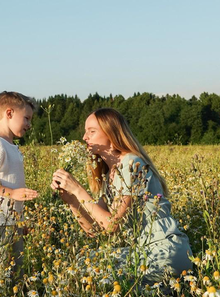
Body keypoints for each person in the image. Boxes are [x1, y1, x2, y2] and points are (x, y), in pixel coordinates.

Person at [51, 108, 193, 284]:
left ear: (111, 134)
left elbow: (112, 226)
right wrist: (71, 199)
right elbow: (95, 231)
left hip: (164, 251)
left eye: (91, 131)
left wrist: (79, 190)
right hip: (142, 251)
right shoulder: (108, 174)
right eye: (85, 131)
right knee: (81, 264)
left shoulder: (132, 163)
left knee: (98, 276)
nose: (84, 137)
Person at [0, 91, 39, 276]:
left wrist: (20, 220)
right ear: (9, 113)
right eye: (26, 118)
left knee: (16, 275)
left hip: (11, 222)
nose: (29, 124)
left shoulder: (11, 147)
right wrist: (13, 193)